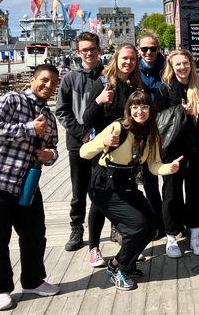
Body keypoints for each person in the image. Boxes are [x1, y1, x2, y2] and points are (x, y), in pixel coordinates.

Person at [0, 64, 61, 311]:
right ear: (33, 79)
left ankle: (33, 281)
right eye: (45, 80)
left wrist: (50, 155)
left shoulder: (49, 116)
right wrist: (29, 128)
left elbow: (53, 147)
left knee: (35, 235)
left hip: (27, 184)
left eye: (54, 83)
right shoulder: (11, 100)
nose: (49, 86)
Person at [81, 91, 184, 291]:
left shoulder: (152, 133)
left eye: (144, 107)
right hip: (104, 185)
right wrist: (103, 142)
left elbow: (154, 165)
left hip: (127, 182)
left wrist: (168, 168)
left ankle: (118, 264)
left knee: (152, 225)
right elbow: (84, 153)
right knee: (137, 225)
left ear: (150, 110)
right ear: (129, 109)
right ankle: (120, 269)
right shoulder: (118, 127)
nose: (139, 111)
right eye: (134, 107)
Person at [82, 43, 147, 266]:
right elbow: (87, 120)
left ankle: (126, 237)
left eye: (132, 59)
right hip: (104, 150)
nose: (128, 62)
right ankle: (93, 247)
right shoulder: (102, 83)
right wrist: (99, 101)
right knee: (100, 199)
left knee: (126, 193)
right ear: (116, 59)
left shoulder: (136, 85)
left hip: (128, 151)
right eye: (124, 58)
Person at [155, 49, 199, 258]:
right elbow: (158, 121)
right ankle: (171, 237)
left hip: (196, 150)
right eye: (178, 64)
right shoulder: (164, 90)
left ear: (191, 64)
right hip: (172, 151)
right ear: (171, 67)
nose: (182, 67)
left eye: (186, 63)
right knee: (171, 195)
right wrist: (182, 111)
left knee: (195, 194)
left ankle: (195, 234)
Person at [55, 32, 107, 253]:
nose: (88, 53)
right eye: (84, 50)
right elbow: (62, 110)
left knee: (105, 185)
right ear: (78, 53)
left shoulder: (107, 76)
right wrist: (81, 132)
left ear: (99, 50)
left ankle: (113, 226)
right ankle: (77, 228)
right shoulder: (70, 78)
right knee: (79, 189)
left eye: (92, 49)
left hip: (104, 140)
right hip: (78, 142)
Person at [136, 31, 166, 239]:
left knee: (172, 179)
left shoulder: (167, 68)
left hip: (166, 130)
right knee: (149, 181)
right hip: (143, 132)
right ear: (139, 49)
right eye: (144, 49)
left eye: (152, 48)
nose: (148, 52)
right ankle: (157, 223)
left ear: (158, 49)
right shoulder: (133, 70)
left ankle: (173, 220)